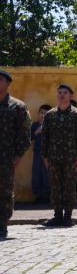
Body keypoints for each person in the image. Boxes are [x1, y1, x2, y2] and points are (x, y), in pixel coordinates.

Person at [41, 84, 77, 228]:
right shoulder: (50, 115)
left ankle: (68, 217)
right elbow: (45, 137)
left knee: (69, 187)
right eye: (59, 92)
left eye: (65, 92)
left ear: (71, 96)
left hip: (71, 158)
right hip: (53, 158)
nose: (61, 95)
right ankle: (57, 216)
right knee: (55, 187)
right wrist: (45, 157)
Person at [0, 69, 31, 239]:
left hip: (7, 157)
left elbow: (25, 134)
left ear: (7, 83)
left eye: (0, 80)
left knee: (5, 191)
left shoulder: (17, 106)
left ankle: (2, 225)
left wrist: (18, 155)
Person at [30, 104, 51, 203]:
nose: (43, 115)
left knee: (47, 174)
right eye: (41, 113)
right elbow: (29, 138)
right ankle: (38, 195)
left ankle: (47, 195)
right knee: (36, 174)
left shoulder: (52, 126)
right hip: (37, 153)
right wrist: (37, 132)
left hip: (48, 154)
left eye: (45, 114)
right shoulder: (34, 125)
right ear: (39, 114)